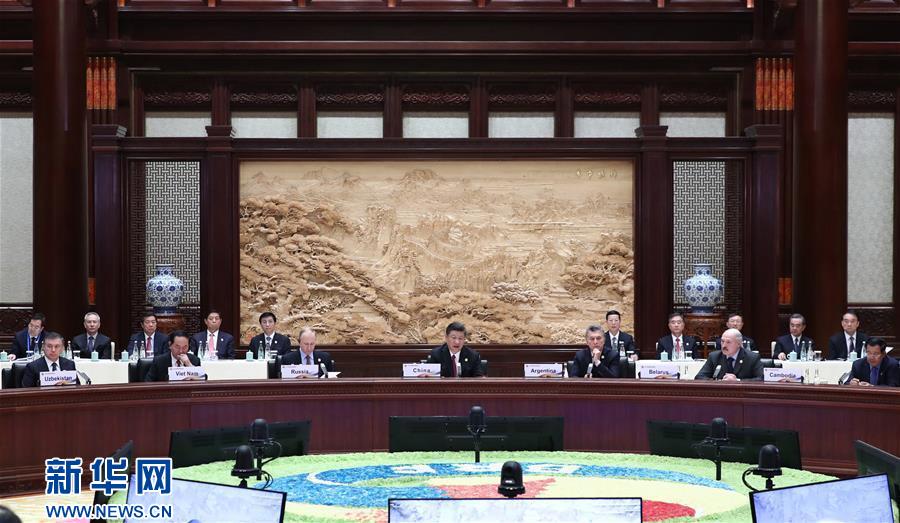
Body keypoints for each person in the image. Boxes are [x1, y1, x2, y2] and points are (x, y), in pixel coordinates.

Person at [694, 328, 763, 381]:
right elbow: (699, 377)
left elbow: (761, 379)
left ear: (739, 344)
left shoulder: (752, 357)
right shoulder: (714, 356)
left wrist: (737, 381)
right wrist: (719, 382)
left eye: (728, 342)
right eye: (722, 341)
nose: (724, 345)